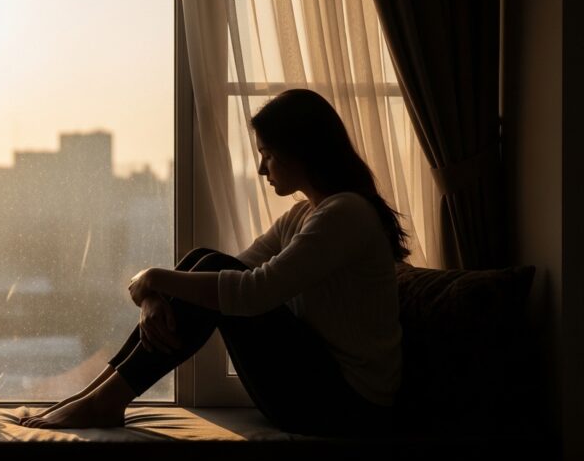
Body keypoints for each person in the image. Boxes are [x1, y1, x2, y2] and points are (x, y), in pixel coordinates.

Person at [20, 89, 408, 436]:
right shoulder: (306, 215)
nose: (261, 169)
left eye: (268, 155)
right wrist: (157, 290)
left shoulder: (346, 214)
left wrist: (155, 278)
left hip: (350, 407)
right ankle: (97, 395)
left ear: (299, 152)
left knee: (210, 272)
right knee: (203, 261)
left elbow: (251, 293)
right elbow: (227, 269)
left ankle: (103, 402)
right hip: (318, 391)